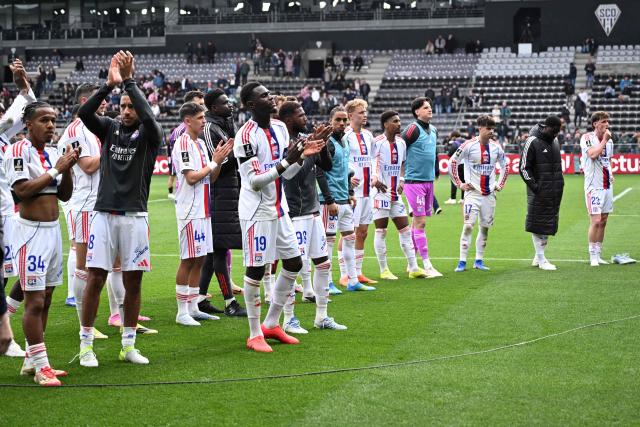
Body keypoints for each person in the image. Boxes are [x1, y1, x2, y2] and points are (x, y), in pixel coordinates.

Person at [77, 51, 162, 366]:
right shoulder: (109, 128)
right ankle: (86, 344)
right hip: (104, 215)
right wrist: (108, 86)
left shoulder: (150, 137)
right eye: (122, 106)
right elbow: (84, 114)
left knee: (133, 282)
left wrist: (129, 82)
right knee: (95, 277)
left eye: (130, 106)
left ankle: (128, 345)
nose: (125, 110)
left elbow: (151, 119)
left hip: (135, 217)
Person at [233, 81, 323, 353]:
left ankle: (271, 323)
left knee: (294, 263)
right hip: (256, 212)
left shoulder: (281, 129)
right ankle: (253, 333)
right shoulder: (245, 136)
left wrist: (300, 159)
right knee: (257, 270)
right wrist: (287, 161)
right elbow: (255, 181)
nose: (270, 98)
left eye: (270, 94)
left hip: (278, 208)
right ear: (250, 105)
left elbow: (286, 174)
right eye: (263, 96)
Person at [5, 100, 80, 386]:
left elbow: (64, 196)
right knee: (34, 301)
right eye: (44, 120)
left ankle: (31, 361)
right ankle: (42, 368)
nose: (51, 125)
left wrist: (68, 167)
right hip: (30, 234)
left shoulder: (52, 152)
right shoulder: (17, 151)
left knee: (46, 298)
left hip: (52, 231)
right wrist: (56, 170)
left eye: (53, 120)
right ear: (28, 124)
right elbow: (21, 191)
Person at [279, 101, 347, 332]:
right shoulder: (285, 143)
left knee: (323, 263)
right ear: (289, 119)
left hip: (313, 212)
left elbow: (325, 167)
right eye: (301, 114)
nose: (305, 117)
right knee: (292, 267)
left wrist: (323, 144)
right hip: (294, 213)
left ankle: (322, 316)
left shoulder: (308, 138)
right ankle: (288, 319)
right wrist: (309, 149)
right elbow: (293, 176)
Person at [56, 84, 110, 344]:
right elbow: (88, 166)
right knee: (84, 265)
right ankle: (83, 323)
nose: (106, 105)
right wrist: (113, 147)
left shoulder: (91, 128)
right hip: (84, 204)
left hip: (96, 203)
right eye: (102, 102)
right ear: (87, 101)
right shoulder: (76, 131)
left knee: (95, 265)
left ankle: (89, 321)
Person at [172, 102, 233, 326]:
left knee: (199, 259)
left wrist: (217, 162)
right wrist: (213, 163)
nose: (204, 121)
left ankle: (193, 306)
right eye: (199, 118)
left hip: (204, 209)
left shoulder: (199, 144)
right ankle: (181, 311)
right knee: (188, 260)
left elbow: (210, 178)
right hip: (190, 210)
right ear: (187, 120)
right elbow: (191, 177)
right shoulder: (184, 143)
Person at [198, 88, 246, 316]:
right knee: (218, 250)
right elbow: (214, 164)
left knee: (213, 251)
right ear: (214, 107)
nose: (231, 105)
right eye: (226, 103)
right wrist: (237, 153)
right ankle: (229, 303)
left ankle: (199, 299)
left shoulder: (224, 125)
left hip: (228, 193)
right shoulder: (210, 128)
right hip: (217, 194)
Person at [0, 59, 35, 358]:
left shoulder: (3, 135)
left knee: (4, 275)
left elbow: (26, 109)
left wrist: (21, 83)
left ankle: (5, 333)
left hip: (5, 216)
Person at [449, 115, 509, 272]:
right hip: (472, 194)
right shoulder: (468, 145)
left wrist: (500, 184)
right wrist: (459, 184)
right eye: (488, 128)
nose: (491, 131)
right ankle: (462, 261)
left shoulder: (496, 147)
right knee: (468, 226)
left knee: (484, 228)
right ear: (480, 128)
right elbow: (452, 162)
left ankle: (479, 261)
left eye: (493, 129)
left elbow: (505, 165)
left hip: (489, 195)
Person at [371, 111, 426, 280]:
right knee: (381, 231)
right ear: (386, 124)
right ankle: (384, 269)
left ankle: (414, 267)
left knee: (405, 230)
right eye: (395, 121)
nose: (399, 124)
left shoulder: (401, 143)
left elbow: (402, 164)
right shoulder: (377, 143)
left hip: (395, 194)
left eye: (399, 120)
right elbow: (370, 162)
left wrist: (402, 180)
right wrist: (374, 179)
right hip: (380, 194)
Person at [316, 106, 357, 295]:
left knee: (350, 238)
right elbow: (320, 173)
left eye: (344, 120)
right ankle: (328, 283)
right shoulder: (328, 143)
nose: (342, 123)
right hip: (330, 201)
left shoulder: (345, 141)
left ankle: (353, 280)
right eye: (337, 120)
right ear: (330, 121)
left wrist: (349, 192)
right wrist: (329, 199)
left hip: (344, 199)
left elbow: (345, 171)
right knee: (329, 242)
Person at [400, 97, 443, 278]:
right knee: (421, 222)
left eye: (430, 107)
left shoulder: (433, 130)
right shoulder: (411, 129)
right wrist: (401, 177)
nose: (430, 110)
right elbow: (399, 149)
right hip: (413, 181)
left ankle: (412, 264)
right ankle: (426, 264)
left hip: (428, 181)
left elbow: (433, 153)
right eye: (426, 108)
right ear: (417, 111)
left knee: (416, 224)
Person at [519, 116, 563, 271]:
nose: (556, 134)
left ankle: (538, 257)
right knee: (538, 224)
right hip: (539, 191)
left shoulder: (555, 140)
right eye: (554, 130)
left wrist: (559, 184)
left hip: (554, 190)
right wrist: (535, 187)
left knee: (547, 224)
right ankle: (542, 259)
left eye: (558, 131)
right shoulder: (532, 141)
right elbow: (523, 168)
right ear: (546, 127)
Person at [341, 99, 377, 288]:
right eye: (361, 112)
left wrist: (375, 175)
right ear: (350, 116)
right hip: (352, 191)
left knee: (363, 231)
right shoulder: (345, 137)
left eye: (365, 112)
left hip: (367, 191)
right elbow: (341, 160)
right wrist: (348, 176)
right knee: (348, 232)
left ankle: (358, 272)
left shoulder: (368, 135)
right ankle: (344, 274)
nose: (365, 115)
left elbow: (372, 158)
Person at [580, 111, 614, 267]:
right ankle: (592, 255)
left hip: (607, 185)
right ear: (595, 124)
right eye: (604, 121)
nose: (607, 124)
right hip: (593, 187)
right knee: (595, 220)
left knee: (604, 221)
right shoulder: (587, 138)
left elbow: (608, 161)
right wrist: (604, 141)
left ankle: (599, 254)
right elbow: (593, 154)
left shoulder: (610, 142)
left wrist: (611, 173)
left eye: (607, 121)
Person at [167, 90, 205, 199]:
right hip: (189, 190)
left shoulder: (202, 126)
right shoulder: (180, 132)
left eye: (203, 104)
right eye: (200, 104)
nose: (204, 108)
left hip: (202, 186)